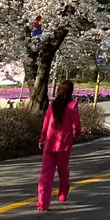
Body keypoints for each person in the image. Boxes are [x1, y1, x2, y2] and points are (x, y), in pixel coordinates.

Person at [37, 80, 82, 211]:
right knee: (63, 171)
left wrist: (42, 139)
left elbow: (45, 125)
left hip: (49, 143)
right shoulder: (72, 105)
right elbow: (77, 124)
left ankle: (42, 203)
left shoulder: (52, 105)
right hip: (64, 145)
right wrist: (77, 135)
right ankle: (62, 194)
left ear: (59, 90)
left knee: (45, 175)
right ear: (71, 92)